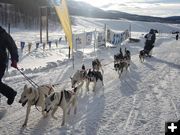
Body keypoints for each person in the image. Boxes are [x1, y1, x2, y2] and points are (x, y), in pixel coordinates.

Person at [0, 26, 18, 105]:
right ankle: (10, 93)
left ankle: (10, 93)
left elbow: (12, 46)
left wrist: (14, 59)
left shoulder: (2, 33)